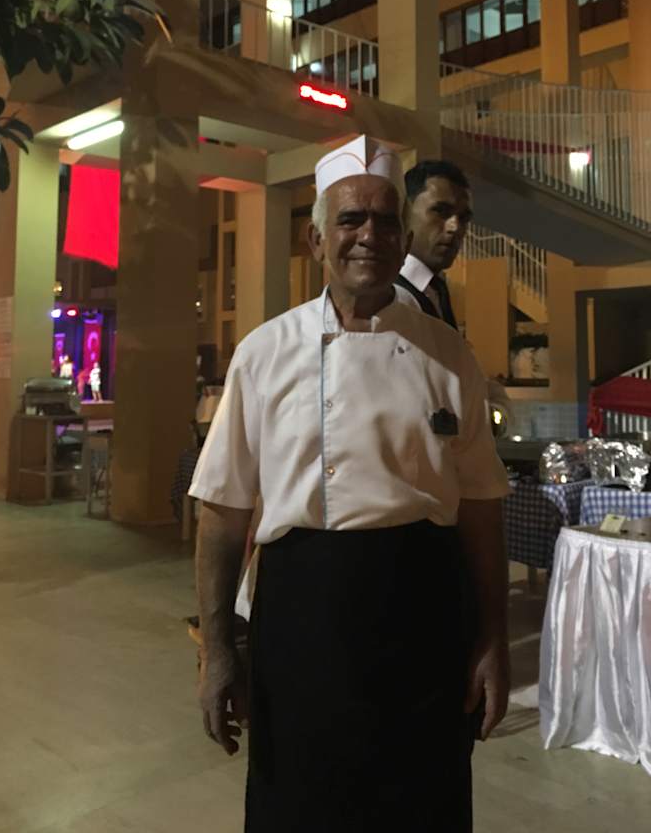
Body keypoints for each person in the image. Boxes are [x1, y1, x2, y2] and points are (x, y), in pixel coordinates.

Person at [189, 135, 510, 833]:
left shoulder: (449, 354)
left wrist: (492, 639)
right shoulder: (263, 353)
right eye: (350, 219)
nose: (370, 235)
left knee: (423, 808)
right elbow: (222, 511)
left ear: (404, 239)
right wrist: (218, 652)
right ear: (316, 240)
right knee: (301, 806)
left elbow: (482, 508)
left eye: (386, 220)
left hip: (425, 614)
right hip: (302, 618)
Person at [396, 159, 473, 329]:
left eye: (463, 218)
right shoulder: (385, 295)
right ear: (404, 212)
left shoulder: (437, 290)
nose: (455, 227)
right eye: (441, 211)